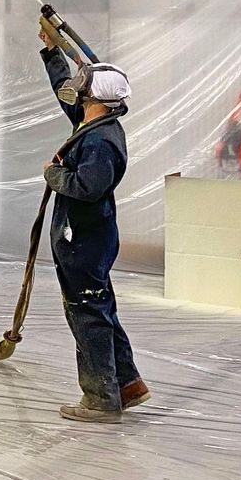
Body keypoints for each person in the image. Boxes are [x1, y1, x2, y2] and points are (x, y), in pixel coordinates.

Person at [39, 26, 148, 424]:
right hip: (88, 239)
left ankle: (101, 399)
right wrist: (52, 52)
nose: (76, 88)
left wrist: (53, 175)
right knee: (100, 309)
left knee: (88, 312)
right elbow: (65, 95)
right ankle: (127, 384)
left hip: (84, 240)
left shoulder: (100, 142)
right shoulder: (94, 124)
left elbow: (86, 186)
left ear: (94, 97)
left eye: (82, 85)